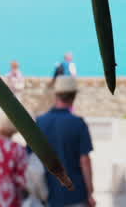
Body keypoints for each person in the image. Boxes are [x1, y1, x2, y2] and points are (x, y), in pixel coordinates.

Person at [35, 75, 95, 207]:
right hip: (75, 193)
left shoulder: (40, 122)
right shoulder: (79, 124)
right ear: (74, 96)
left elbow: (31, 158)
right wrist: (90, 192)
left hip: (47, 193)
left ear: (56, 95)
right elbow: (84, 160)